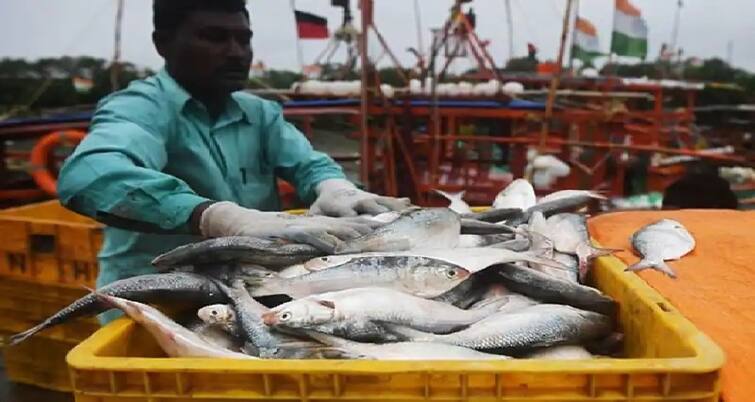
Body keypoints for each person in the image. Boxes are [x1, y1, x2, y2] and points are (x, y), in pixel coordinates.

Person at [57, 0, 409, 308]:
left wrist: (333, 187)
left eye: (244, 39)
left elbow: (308, 164)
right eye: (214, 37)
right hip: (152, 299)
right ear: (163, 43)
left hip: (250, 291)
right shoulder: (141, 108)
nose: (236, 52)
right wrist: (214, 217)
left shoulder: (260, 114)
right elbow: (88, 174)